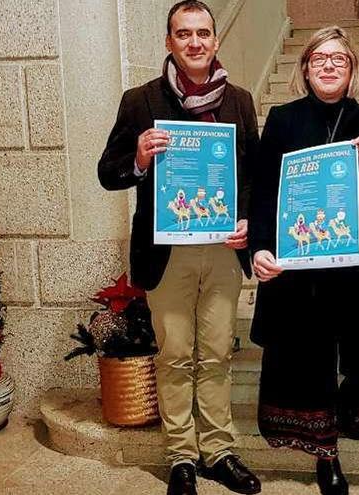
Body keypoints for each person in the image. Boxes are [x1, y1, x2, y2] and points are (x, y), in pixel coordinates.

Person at [97, 2, 261, 495]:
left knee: (215, 353)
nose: (195, 42)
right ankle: (181, 458)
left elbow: (251, 173)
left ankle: (219, 450)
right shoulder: (140, 100)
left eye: (203, 33)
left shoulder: (239, 100)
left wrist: (249, 220)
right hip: (167, 251)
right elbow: (108, 171)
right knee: (174, 356)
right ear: (169, 41)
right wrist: (140, 159)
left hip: (222, 249)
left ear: (215, 41)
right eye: (183, 34)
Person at [249, 26, 359, 495]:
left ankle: (349, 428)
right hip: (298, 262)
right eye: (319, 58)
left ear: (352, 70)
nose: (327, 65)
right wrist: (259, 246)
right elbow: (264, 191)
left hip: (355, 261)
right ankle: (327, 456)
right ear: (304, 68)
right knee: (309, 355)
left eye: (338, 60)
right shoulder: (282, 119)